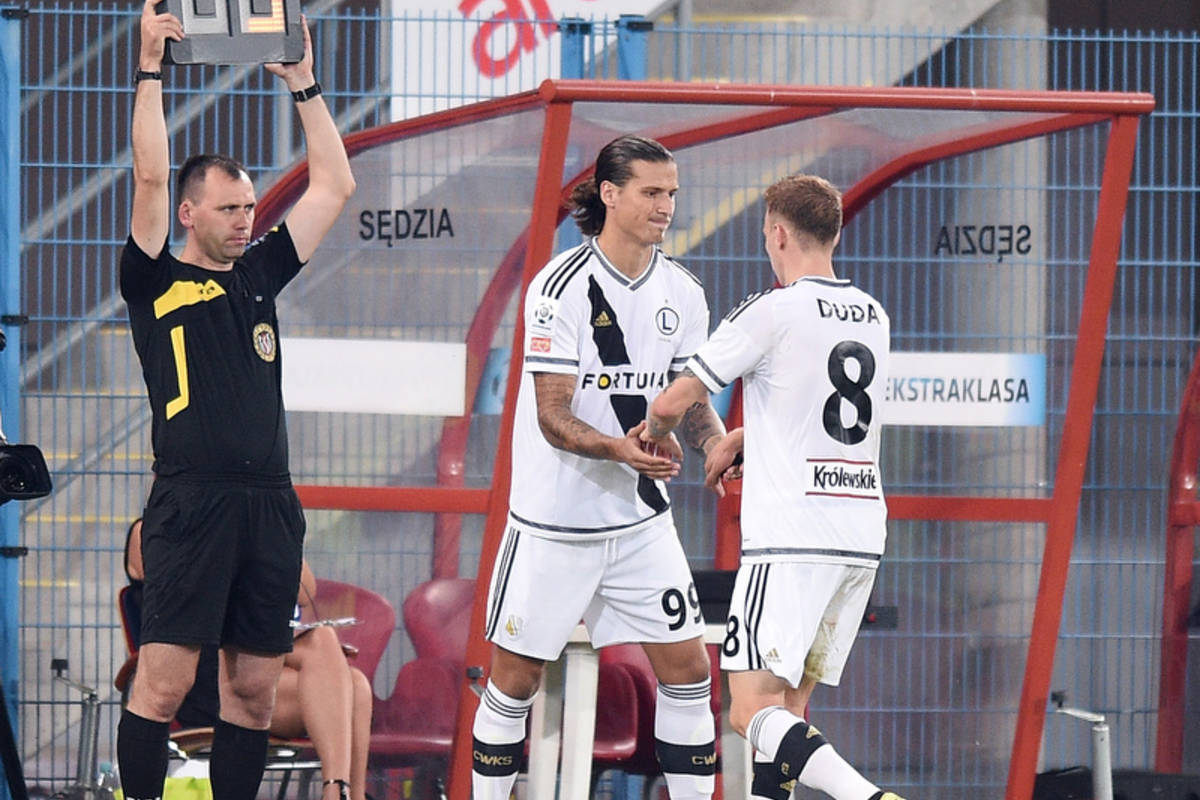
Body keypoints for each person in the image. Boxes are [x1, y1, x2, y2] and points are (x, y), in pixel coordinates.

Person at [117, 3, 355, 800]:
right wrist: (150, 68)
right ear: (189, 215)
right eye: (229, 209)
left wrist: (304, 84)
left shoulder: (258, 275)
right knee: (162, 682)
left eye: (250, 207)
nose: (246, 220)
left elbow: (336, 184)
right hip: (192, 503)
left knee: (251, 692)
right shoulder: (154, 279)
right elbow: (151, 175)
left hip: (269, 506)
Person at [471, 135, 726, 800]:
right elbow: (552, 415)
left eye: (672, 193)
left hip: (639, 526)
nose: (666, 206)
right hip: (554, 527)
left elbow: (689, 400)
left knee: (689, 672)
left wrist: (715, 444)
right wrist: (619, 449)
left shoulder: (684, 291)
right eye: (651, 192)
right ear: (610, 194)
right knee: (515, 682)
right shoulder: (558, 287)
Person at [640, 174, 904, 800]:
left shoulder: (772, 310)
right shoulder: (873, 315)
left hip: (790, 539)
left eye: (765, 234)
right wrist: (747, 438)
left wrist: (652, 433)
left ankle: (865, 797)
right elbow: (825, 417)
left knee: (748, 710)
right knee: (786, 713)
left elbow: (675, 400)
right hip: (859, 536)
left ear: (778, 234)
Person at [123, 519, 373, 800]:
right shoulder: (148, 529)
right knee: (350, 685)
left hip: (250, 663)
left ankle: (343, 791)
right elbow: (189, 586)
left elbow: (306, 593)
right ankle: (340, 792)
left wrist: (272, 533)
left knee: (347, 671)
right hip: (202, 676)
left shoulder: (246, 521)